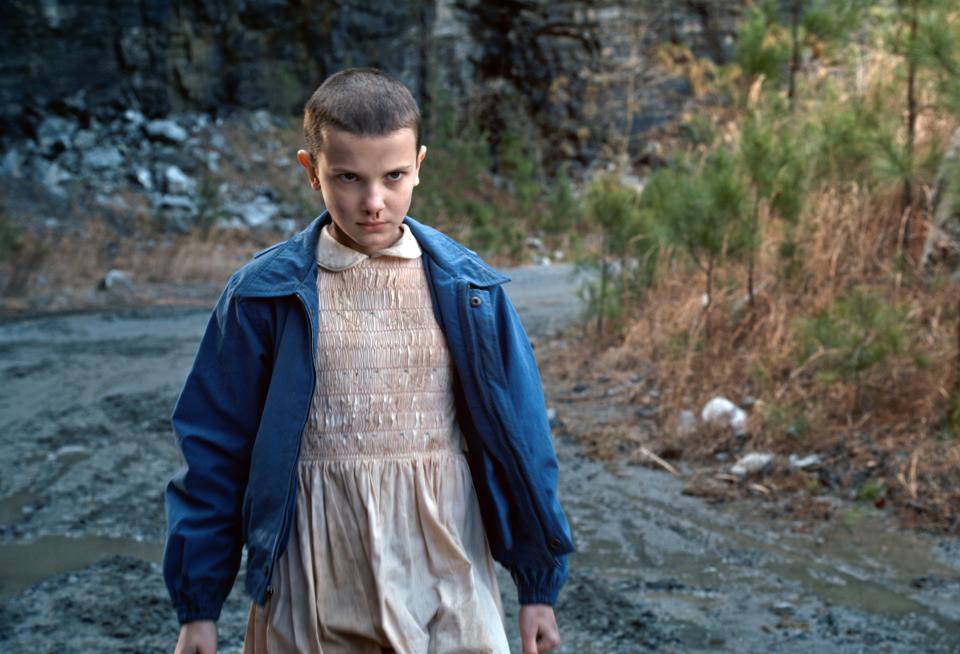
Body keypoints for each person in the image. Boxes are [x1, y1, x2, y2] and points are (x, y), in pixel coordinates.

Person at [165, 68, 573, 654]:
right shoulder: (263, 295)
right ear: (311, 170)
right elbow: (213, 452)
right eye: (348, 178)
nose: (374, 202)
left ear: (420, 165)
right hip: (317, 570)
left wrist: (537, 585)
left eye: (394, 176)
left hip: (448, 564)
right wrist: (198, 607)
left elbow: (525, 442)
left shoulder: (469, 290)